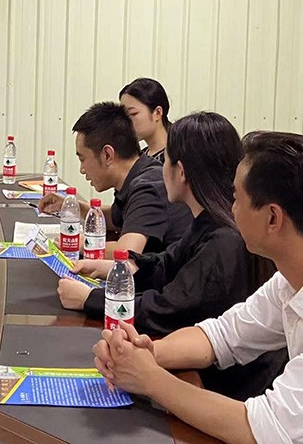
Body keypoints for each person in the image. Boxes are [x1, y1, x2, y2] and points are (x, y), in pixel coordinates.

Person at [93, 131, 303, 444]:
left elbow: (264, 428)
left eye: (237, 198)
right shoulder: (287, 282)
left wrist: (149, 378)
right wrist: (142, 353)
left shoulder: (225, 241)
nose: (231, 208)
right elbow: (222, 335)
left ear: (273, 218)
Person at [57, 113, 284, 399]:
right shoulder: (207, 224)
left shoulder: (225, 240)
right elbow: (166, 264)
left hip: (230, 388)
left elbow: (171, 309)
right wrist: (120, 269)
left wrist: (90, 299)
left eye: (164, 161)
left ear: (182, 172)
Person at [39, 102, 193, 255]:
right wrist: (71, 206)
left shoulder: (149, 187)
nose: (82, 169)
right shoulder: (138, 173)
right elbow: (115, 218)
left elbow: (126, 251)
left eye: (82, 159)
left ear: (107, 155)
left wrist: (79, 243)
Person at [119, 78, 171, 163]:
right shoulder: (140, 158)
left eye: (133, 113)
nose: (125, 121)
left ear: (157, 113)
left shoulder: (176, 157)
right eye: (123, 115)